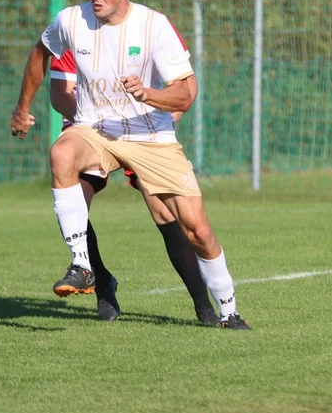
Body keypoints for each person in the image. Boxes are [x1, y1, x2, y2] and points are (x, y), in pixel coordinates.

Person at [10, 0, 250, 330]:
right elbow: (42, 52)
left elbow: (185, 93)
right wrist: (22, 107)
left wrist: (149, 95)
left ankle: (226, 311)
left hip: (148, 134)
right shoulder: (71, 20)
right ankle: (83, 266)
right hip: (96, 130)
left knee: (195, 228)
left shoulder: (154, 26)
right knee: (61, 153)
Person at [49, 49, 219, 325]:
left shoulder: (148, 28)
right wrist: (93, 122)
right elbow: (60, 93)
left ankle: (203, 305)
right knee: (73, 204)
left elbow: (187, 86)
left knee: (165, 213)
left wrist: (166, 118)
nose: (96, 3)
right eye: (92, 1)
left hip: (142, 133)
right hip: (91, 134)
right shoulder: (73, 33)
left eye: (102, 1)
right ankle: (102, 284)